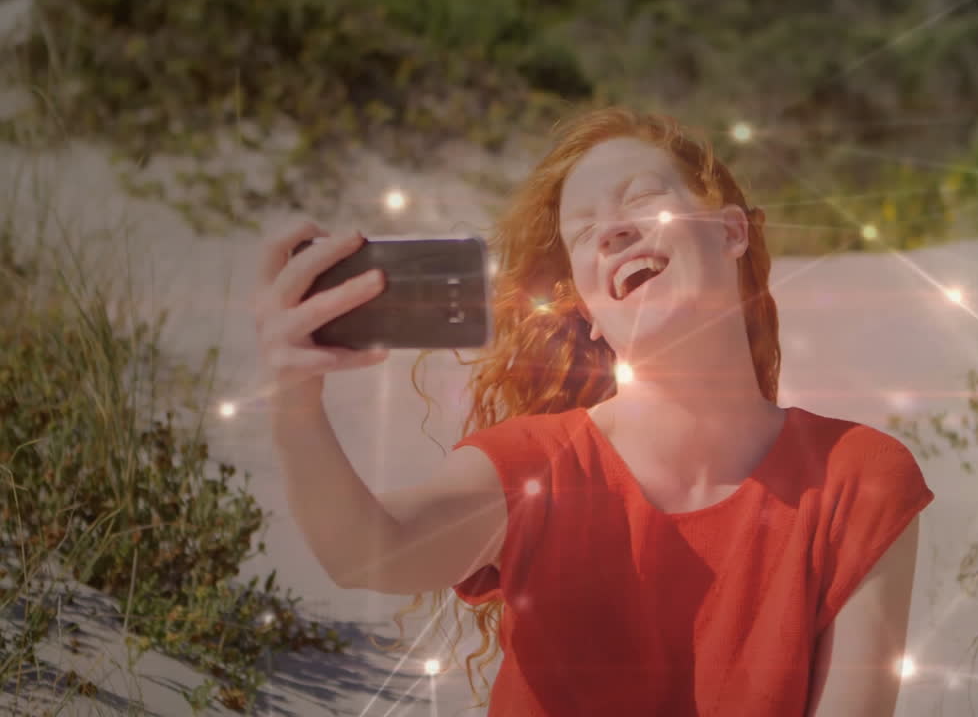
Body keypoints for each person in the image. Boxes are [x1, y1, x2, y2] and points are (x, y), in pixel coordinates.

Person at [254, 106, 935, 717]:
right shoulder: (534, 465)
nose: (612, 231)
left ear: (730, 232)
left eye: (640, 198)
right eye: (585, 233)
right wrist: (293, 403)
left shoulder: (859, 479)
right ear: (589, 313)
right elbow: (369, 555)